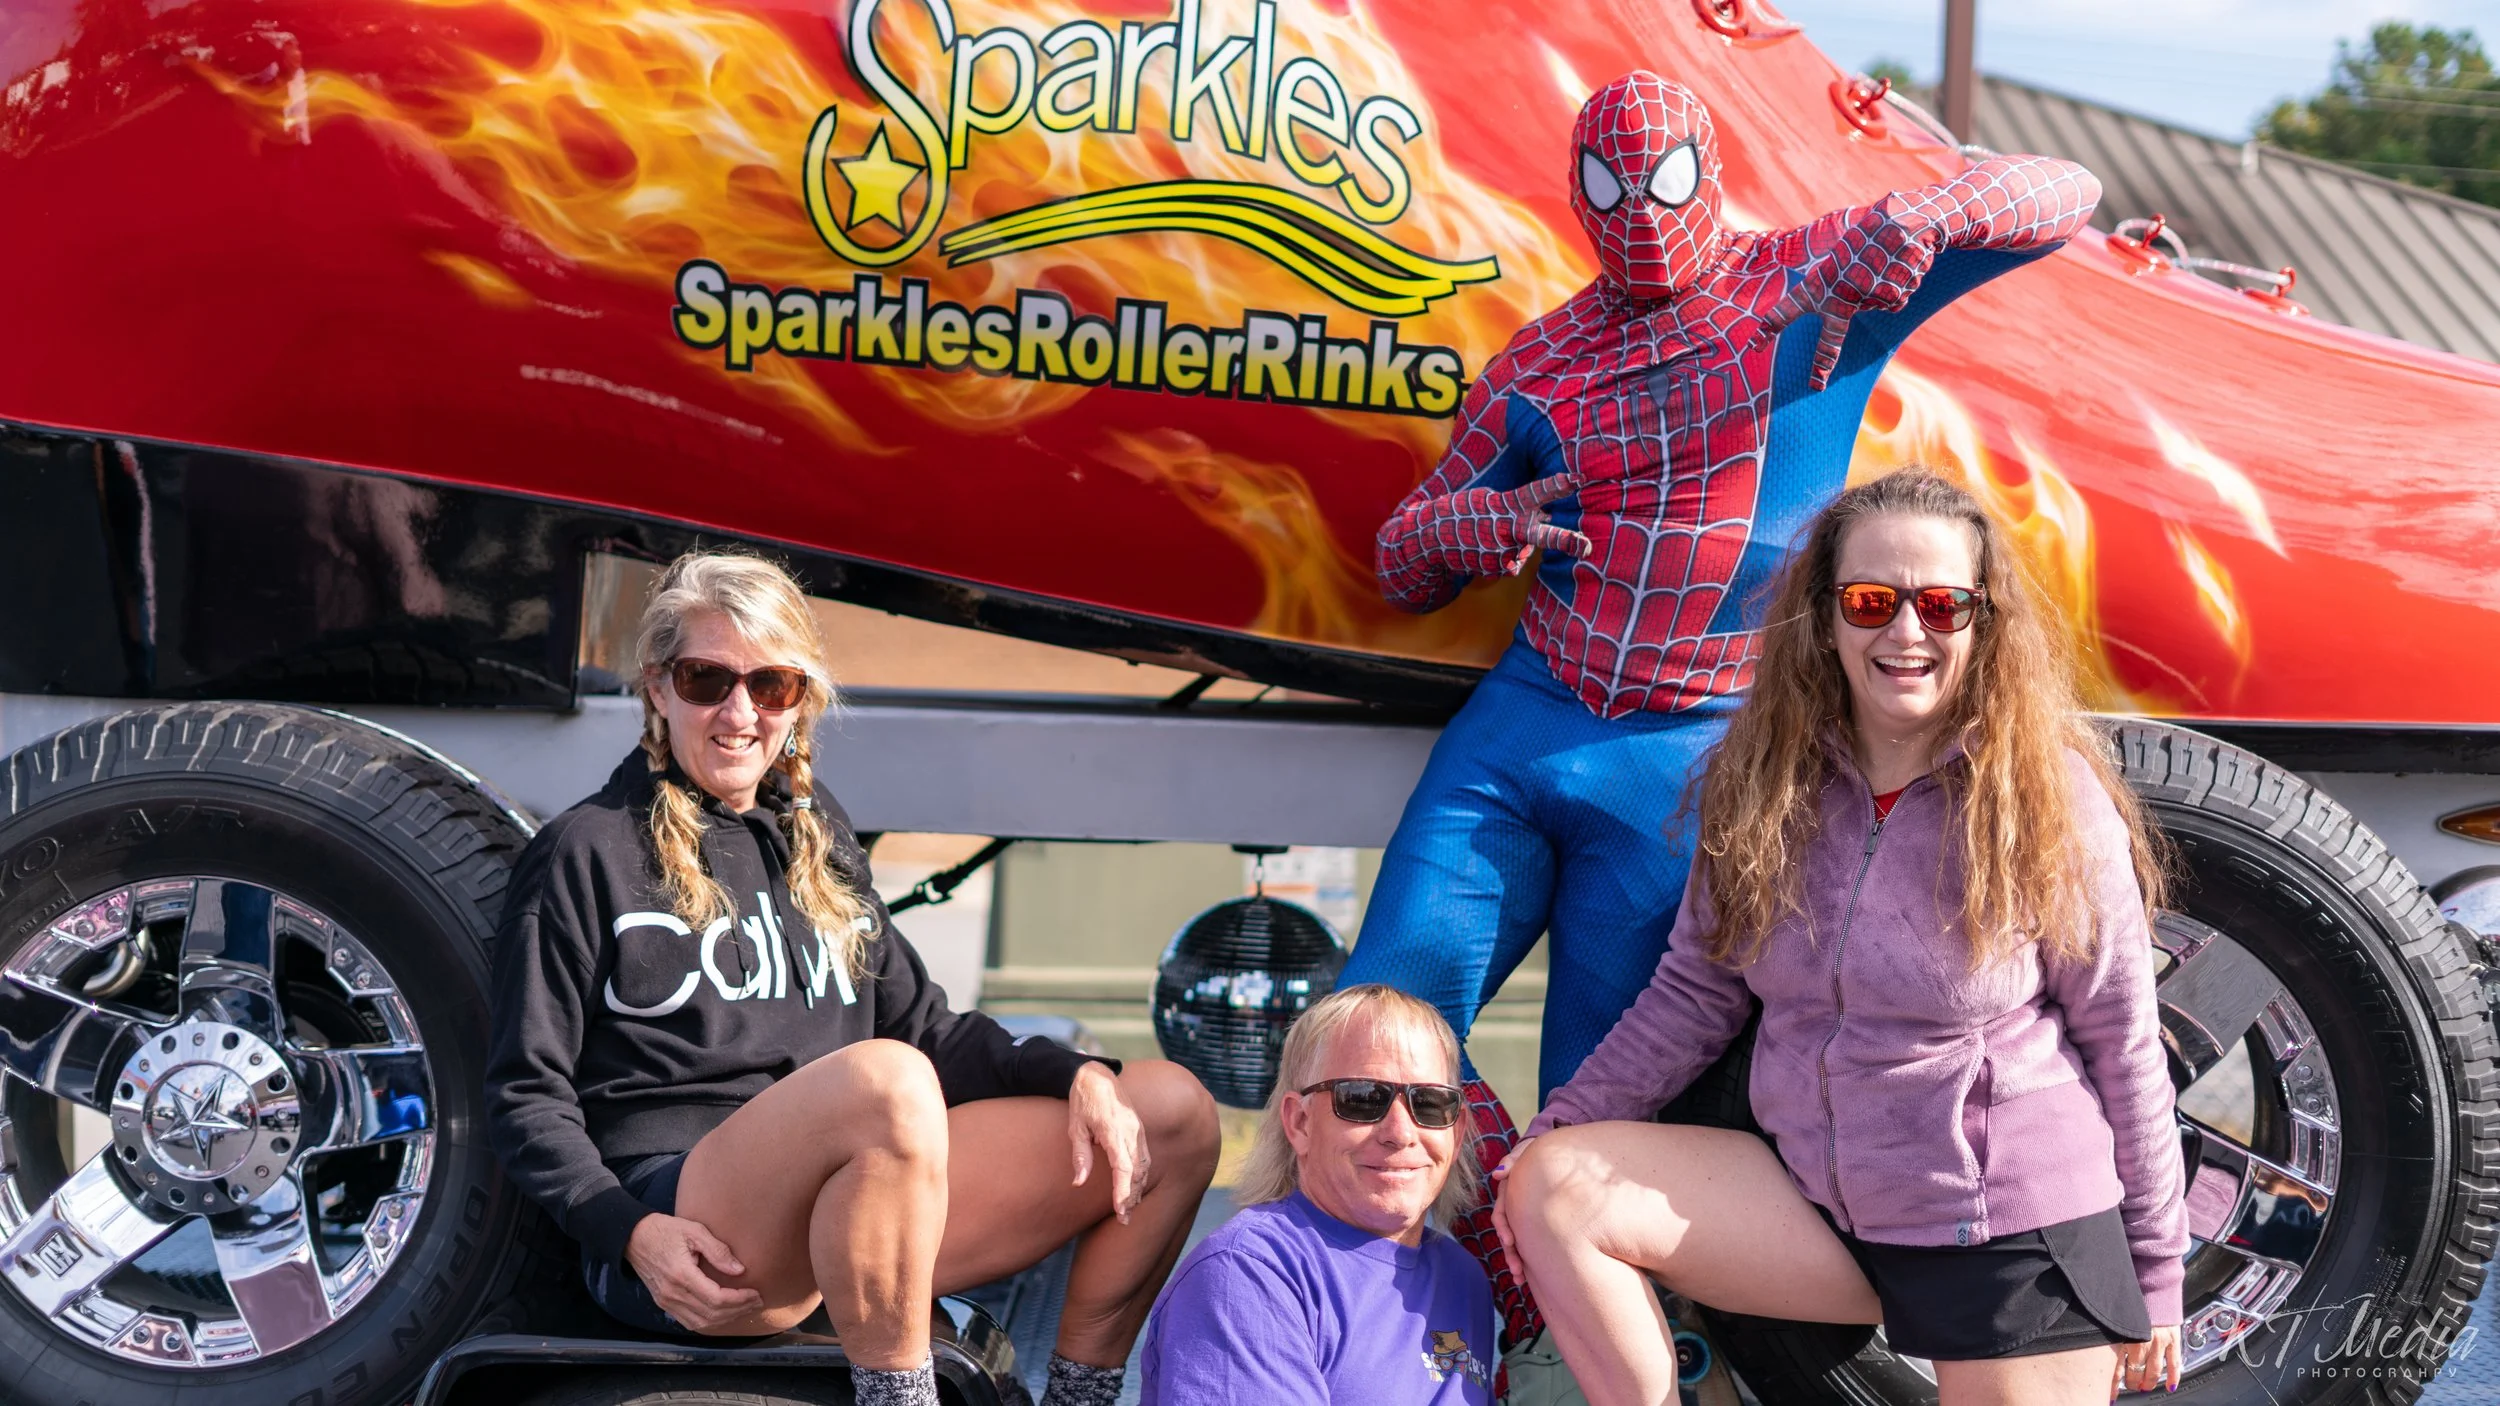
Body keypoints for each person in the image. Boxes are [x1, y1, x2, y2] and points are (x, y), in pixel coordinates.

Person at [1349, 70, 2100, 1343]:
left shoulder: (1812, 282)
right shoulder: (1544, 358)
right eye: (1609, 185)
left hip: (1696, 755)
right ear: (1577, 194)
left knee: (1606, 1101)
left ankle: (1589, 1337)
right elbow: (1403, 556)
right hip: (1528, 723)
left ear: (1711, 166)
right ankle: (1486, 1268)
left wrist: (1931, 212)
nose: (1639, 208)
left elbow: (2064, 198)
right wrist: (1475, 523)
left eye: (1664, 178)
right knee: (1376, 1030)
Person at [1490, 470, 2188, 1405]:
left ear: (1983, 622)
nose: (1907, 631)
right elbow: (1694, 995)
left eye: (1943, 604)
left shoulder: (2046, 798)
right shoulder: (1764, 781)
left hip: (2006, 1233)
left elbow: (2122, 1040)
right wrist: (1554, 1131)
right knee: (1552, 1185)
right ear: (1825, 619)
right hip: (1818, 1209)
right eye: (1871, 601)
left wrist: (2157, 1268)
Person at [485, 551, 1220, 1406]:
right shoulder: (585, 849)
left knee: (1169, 1112)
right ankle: (900, 1398)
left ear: (800, 702)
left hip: (855, 1209)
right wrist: (631, 1233)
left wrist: (1079, 1075)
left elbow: (928, 1032)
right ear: (656, 689)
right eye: (705, 678)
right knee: (885, 1083)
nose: (738, 712)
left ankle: (1077, 1398)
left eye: (771, 687)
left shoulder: (815, 835)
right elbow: (523, 1092)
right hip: (693, 1231)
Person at [1139, 985, 1499, 1404]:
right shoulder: (1247, 1277)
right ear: (1299, 1122)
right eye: (1363, 1099)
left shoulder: (1462, 1277)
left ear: (1455, 1134)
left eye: (1432, 1103)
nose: (1401, 1133)